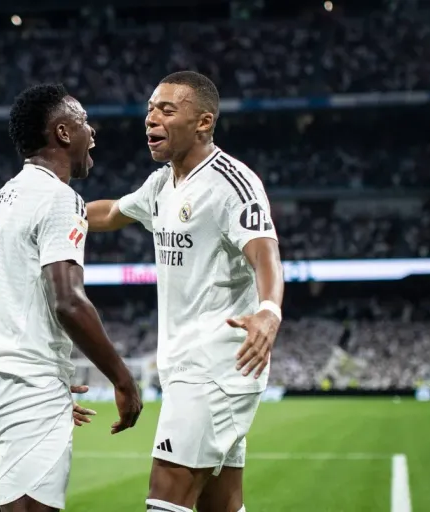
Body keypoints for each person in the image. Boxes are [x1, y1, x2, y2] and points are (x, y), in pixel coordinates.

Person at [86, 71, 284, 512]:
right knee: (221, 503)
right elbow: (112, 213)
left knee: (166, 494)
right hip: (190, 369)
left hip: (214, 366)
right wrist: (53, 212)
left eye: (166, 110)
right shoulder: (161, 183)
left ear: (203, 122)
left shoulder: (233, 183)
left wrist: (269, 309)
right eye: (150, 109)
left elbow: (265, 252)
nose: (151, 118)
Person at [0, 83, 143, 512]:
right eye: (83, 122)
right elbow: (69, 301)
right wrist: (123, 379)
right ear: (63, 132)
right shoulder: (61, 198)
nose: (92, 133)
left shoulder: (6, 195)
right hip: (26, 385)